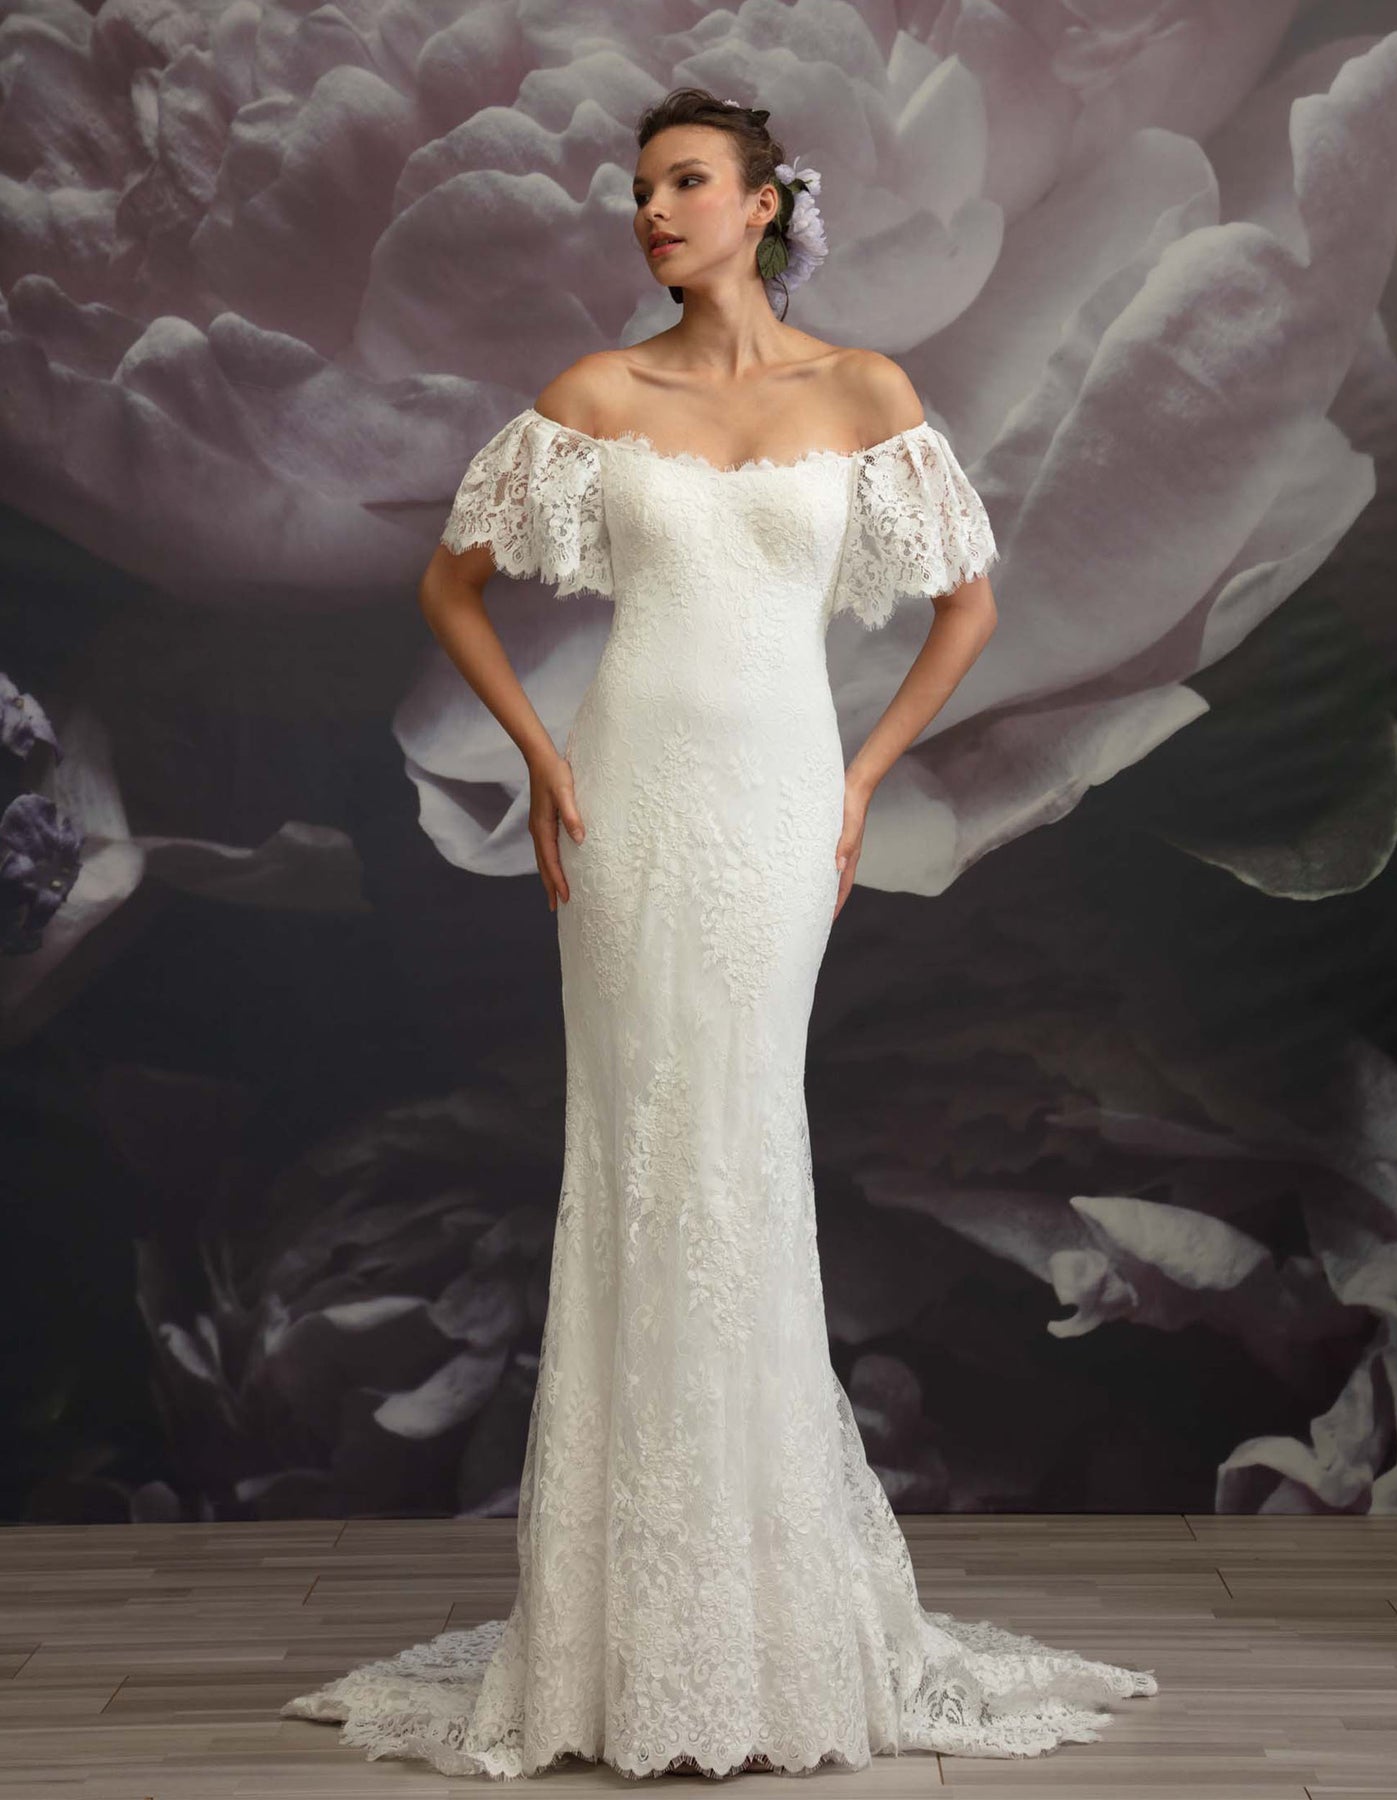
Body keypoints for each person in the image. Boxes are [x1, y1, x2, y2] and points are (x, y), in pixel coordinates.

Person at [280, 84, 1158, 1781]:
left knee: (743, 1147)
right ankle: (622, 1637)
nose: (653, 212)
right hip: (628, 801)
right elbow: (452, 587)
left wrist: (865, 778)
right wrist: (541, 759)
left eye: (684, 183)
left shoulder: (865, 391)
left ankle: (765, 1616)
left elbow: (969, 605)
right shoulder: (596, 396)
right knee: (639, 1154)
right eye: (640, 190)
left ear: (765, 206)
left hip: (778, 807)